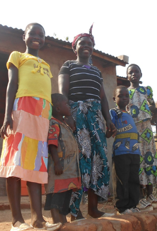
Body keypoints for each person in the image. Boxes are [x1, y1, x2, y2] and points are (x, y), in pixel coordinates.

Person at [0, 23, 61, 231]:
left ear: (44, 39)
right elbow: (11, 85)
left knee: (37, 163)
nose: (36, 37)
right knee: (15, 161)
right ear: (23, 37)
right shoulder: (17, 56)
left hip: (43, 113)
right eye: (32, 34)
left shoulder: (46, 65)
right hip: (22, 109)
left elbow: (46, 93)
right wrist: (8, 115)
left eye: (40, 34)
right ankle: (16, 220)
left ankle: (38, 219)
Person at [58, 25, 117, 220]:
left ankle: (93, 208)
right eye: (82, 43)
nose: (86, 46)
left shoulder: (97, 71)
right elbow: (63, 93)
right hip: (77, 115)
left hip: (95, 118)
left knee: (98, 160)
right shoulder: (68, 65)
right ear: (74, 48)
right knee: (79, 160)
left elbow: (103, 98)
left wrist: (108, 119)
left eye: (90, 44)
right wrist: (67, 115)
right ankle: (74, 211)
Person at [126, 64, 157, 211]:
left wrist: (151, 109)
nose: (134, 74)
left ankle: (150, 194)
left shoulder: (147, 89)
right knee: (138, 160)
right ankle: (140, 197)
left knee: (149, 157)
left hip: (147, 129)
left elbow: (153, 105)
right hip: (133, 128)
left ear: (141, 74)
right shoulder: (125, 92)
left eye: (136, 72)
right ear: (127, 76)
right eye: (131, 72)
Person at [44, 93, 82, 224]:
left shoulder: (65, 124)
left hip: (69, 169)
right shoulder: (54, 124)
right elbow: (52, 144)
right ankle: (56, 220)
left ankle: (63, 220)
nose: (69, 106)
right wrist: (57, 163)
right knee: (56, 194)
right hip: (60, 168)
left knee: (65, 195)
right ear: (58, 108)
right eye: (66, 104)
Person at [106, 86, 141, 215]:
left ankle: (132, 204)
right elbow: (108, 132)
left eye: (127, 95)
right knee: (121, 179)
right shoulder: (113, 113)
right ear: (114, 98)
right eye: (121, 96)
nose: (125, 98)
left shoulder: (129, 114)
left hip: (134, 152)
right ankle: (121, 206)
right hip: (121, 151)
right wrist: (110, 130)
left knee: (133, 179)